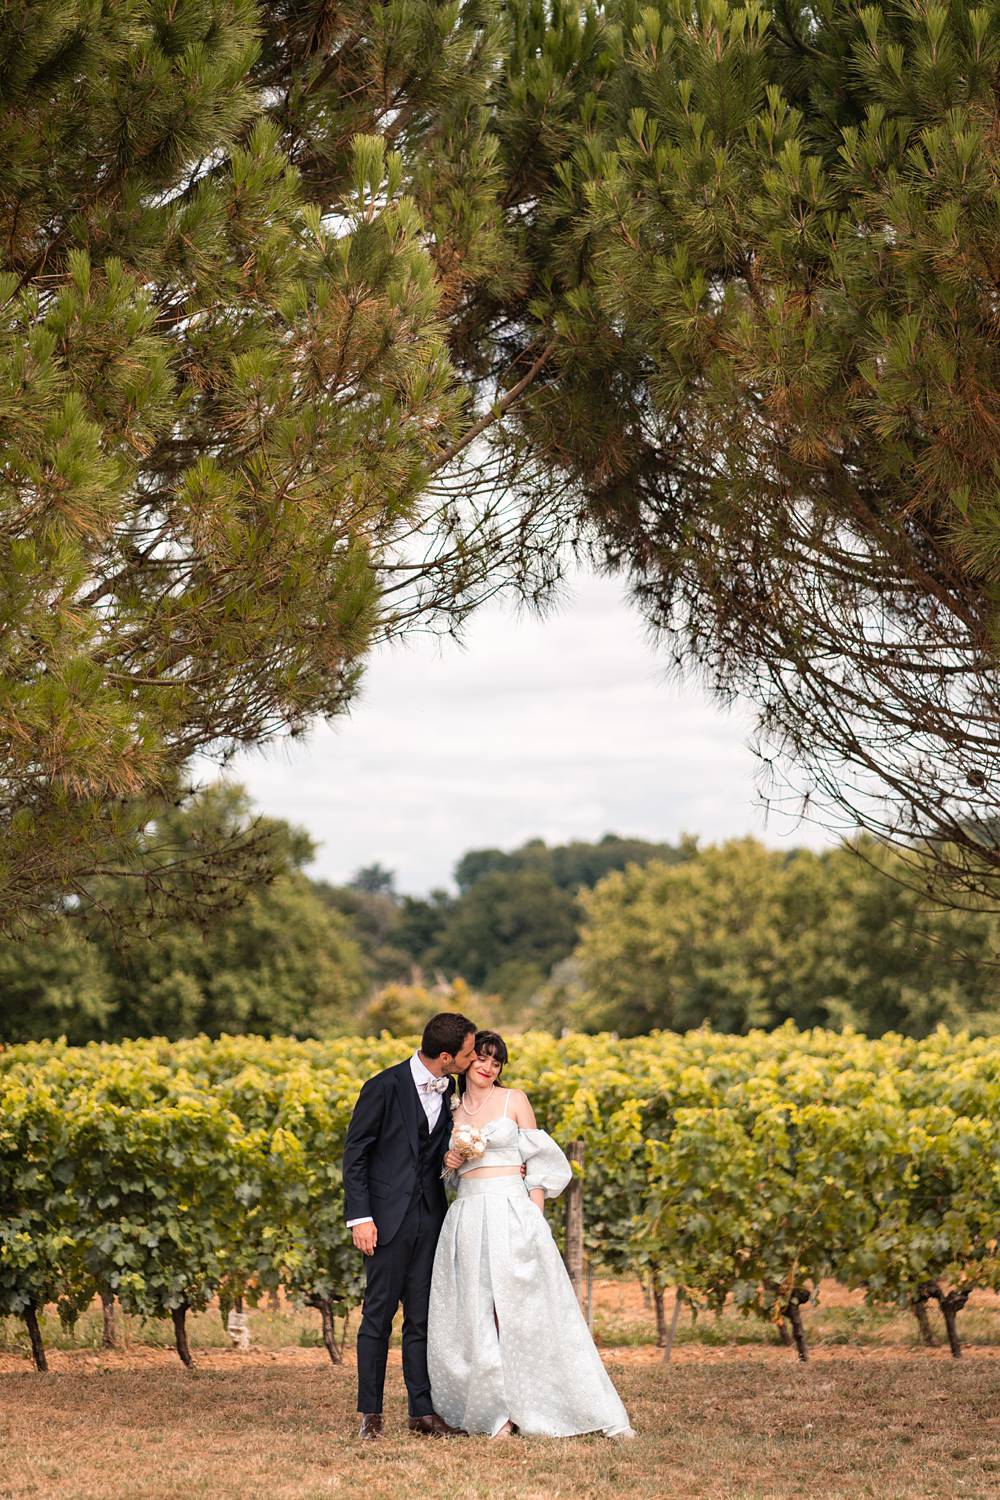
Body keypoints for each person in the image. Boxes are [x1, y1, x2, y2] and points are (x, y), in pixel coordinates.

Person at [427, 1029, 635, 1440]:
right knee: (477, 1311)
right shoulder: (450, 1109)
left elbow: (537, 1163)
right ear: (467, 1061)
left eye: (497, 1062)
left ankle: (545, 1402)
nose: (488, 1067)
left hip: (511, 1211)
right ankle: (496, 1412)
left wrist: (533, 1216)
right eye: (482, 1059)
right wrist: (450, 1160)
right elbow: (448, 1177)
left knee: (524, 1311)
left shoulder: (515, 1100)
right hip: (468, 1215)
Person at [342, 1011, 478, 1441]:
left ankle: (422, 1412)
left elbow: (430, 1152)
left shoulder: (450, 1086)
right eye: (469, 1053)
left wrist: (451, 1160)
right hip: (383, 1221)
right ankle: (370, 1414)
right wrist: (360, 1218)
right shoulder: (382, 1086)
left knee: (421, 1318)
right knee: (377, 1317)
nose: (472, 1060)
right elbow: (356, 1155)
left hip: (430, 1217)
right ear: (445, 1056)